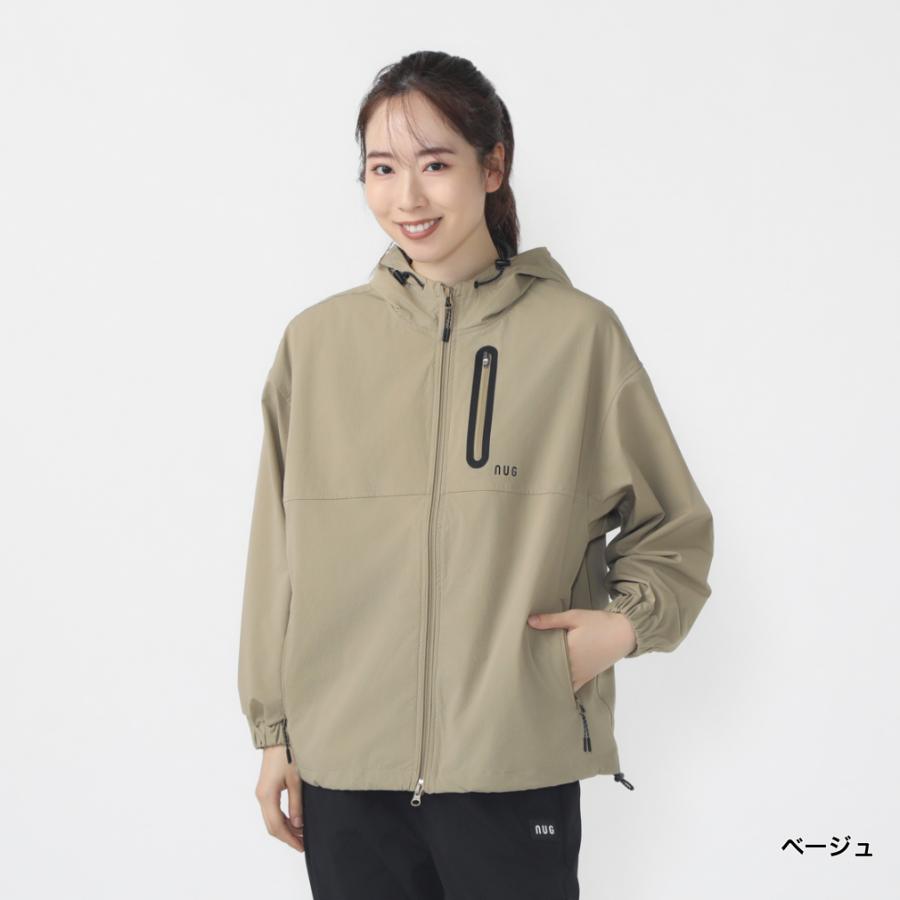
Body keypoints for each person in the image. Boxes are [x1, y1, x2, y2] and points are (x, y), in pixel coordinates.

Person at [237, 50, 715, 900]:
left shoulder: (579, 337)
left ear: (493, 166)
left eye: (435, 164)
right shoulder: (316, 343)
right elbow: (276, 552)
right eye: (382, 169)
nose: (407, 198)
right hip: (344, 770)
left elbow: (672, 529)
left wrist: (616, 630)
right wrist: (275, 729)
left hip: (511, 763)